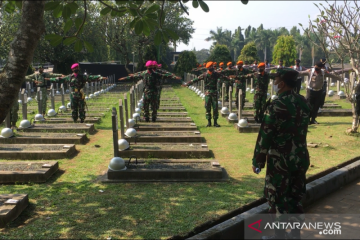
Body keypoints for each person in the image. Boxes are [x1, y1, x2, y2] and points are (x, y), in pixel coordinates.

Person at [252, 68, 311, 240]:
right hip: (300, 157)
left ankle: (279, 235)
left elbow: (265, 135)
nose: (274, 83)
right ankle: (295, 234)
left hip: (281, 159)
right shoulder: (303, 102)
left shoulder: (277, 105)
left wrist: (258, 160)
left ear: (282, 83)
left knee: (277, 198)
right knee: (295, 196)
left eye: (276, 80)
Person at [182, 61, 230, 127]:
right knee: (207, 108)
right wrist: (187, 84)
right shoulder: (205, 75)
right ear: (208, 68)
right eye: (211, 66)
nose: (212, 67)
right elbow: (196, 79)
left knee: (215, 108)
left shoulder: (216, 74)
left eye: (212, 66)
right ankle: (209, 122)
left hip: (214, 93)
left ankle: (215, 122)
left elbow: (225, 77)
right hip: (208, 93)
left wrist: (234, 80)